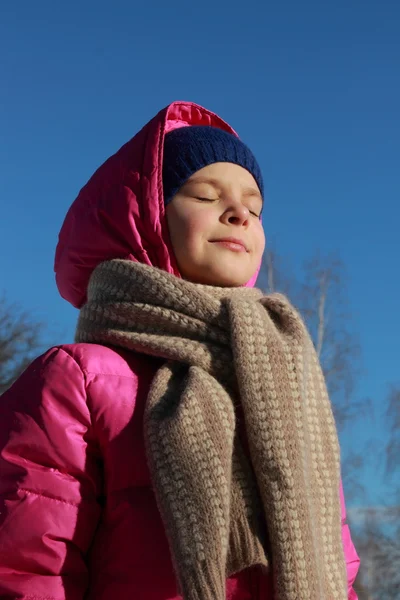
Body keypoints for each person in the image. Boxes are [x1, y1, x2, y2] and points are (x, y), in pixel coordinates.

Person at [0, 101, 360, 600]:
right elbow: (28, 568)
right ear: (147, 217)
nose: (239, 213)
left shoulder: (287, 380)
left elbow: (337, 570)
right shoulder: (80, 380)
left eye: (254, 208)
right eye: (206, 196)